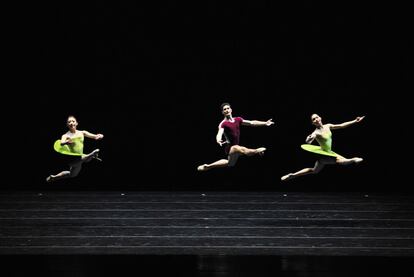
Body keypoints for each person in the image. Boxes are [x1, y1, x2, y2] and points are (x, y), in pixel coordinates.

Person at [281, 113, 364, 181]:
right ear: (313, 123)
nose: (316, 119)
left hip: (329, 153)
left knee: (314, 171)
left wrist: (355, 121)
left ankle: (293, 175)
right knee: (342, 161)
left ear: (320, 118)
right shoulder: (316, 132)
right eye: (313, 119)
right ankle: (354, 159)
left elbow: (341, 125)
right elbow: (308, 140)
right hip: (324, 155)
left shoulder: (328, 126)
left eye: (316, 117)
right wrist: (308, 139)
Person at [197, 103, 274, 171]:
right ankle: (256, 151)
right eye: (224, 109)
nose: (226, 110)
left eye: (228, 108)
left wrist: (265, 123)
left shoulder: (238, 119)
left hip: (236, 150)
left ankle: (209, 166)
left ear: (231, 110)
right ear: (223, 112)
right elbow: (219, 133)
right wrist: (218, 140)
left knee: (230, 163)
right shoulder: (223, 124)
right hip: (230, 148)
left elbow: (252, 123)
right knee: (237, 147)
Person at [46, 115, 104, 182]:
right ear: (67, 125)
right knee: (85, 159)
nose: (71, 123)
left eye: (73, 121)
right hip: (72, 159)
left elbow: (95, 136)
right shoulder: (66, 135)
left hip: (79, 158)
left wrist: (100, 136)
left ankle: (54, 177)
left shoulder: (83, 132)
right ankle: (92, 154)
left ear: (76, 123)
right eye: (69, 122)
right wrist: (66, 142)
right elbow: (61, 143)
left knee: (72, 174)